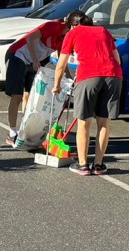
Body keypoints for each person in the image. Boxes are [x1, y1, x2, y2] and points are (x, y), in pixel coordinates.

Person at [52, 11, 123, 175]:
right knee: (104, 122)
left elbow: (61, 64)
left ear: (72, 25)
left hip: (89, 76)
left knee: (83, 122)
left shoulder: (73, 33)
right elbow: (117, 59)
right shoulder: (103, 30)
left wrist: (56, 86)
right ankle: (98, 165)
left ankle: (83, 165)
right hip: (113, 75)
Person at [3, 12, 77, 146]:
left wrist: (68, 77)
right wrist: (35, 59)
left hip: (32, 60)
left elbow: (62, 58)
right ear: (71, 25)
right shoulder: (53, 26)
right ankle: (12, 132)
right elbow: (30, 39)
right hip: (18, 55)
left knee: (30, 95)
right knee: (17, 95)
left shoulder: (66, 38)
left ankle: (25, 130)